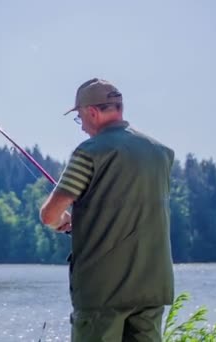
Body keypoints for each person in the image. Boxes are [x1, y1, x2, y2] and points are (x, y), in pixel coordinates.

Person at [39, 78, 175, 341]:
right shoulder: (161, 153)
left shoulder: (90, 152)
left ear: (92, 112)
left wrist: (62, 222)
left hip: (103, 289)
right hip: (153, 284)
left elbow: (49, 215)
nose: (82, 127)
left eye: (79, 118)